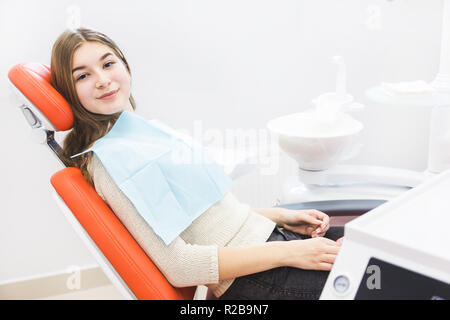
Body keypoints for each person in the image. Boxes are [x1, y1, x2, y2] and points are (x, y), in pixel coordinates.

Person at [50, 27, 343, 300]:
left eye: (108, 63)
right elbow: (180, 266)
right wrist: (291, 253)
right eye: (82, 76)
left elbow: (200, 214)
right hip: (255, 277)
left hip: (269, 242)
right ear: (69, 91)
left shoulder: (141, 132)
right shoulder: (112, 163)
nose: (102, 79)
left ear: (125, 66)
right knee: (377, 278)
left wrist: (279, 217)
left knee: (377, 247)